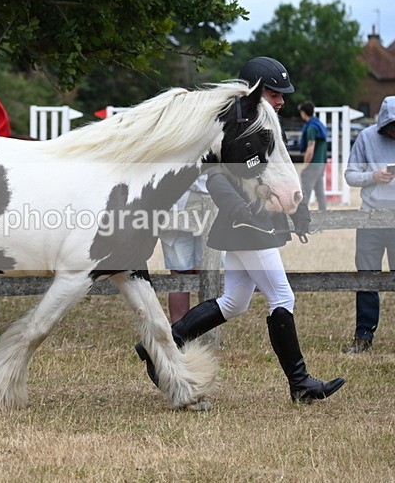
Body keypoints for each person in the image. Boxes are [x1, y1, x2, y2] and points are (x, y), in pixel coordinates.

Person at [135, 56, 345, 403]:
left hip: (254, 224)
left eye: (282, 95)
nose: (282, 101)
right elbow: (216, 173)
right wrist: (238, 208)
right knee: (282, 298)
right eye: (275, 94)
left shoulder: (264, 128)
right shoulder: (234, 127)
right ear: (255, 93)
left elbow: (279, 173)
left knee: (234, 302)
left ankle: (158, 345)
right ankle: (301, 383)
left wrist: (299, 208)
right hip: (247, 226)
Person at [342, 96, 395, 353]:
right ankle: (363, 337)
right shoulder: (365, 137)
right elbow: (350, 175)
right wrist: (373, 177)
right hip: (370, 218)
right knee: (366, 278)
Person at [158, 174, 210, 323]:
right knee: (183, 275)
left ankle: (202, 330)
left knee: (204, 273)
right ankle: (181, 333)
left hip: (204, 202)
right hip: (178, 204)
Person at [298, 101, 329, 210]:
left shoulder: (311, 128)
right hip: (321, 164)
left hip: (313, 164)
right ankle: (324, 215)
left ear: (303, 113)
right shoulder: (319, 125)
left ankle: (302, 218)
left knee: (305, 194)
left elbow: (310, 149)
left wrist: (305, 165)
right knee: (320, 193)